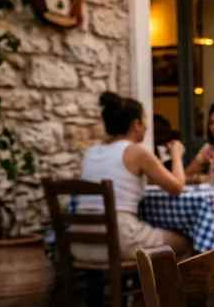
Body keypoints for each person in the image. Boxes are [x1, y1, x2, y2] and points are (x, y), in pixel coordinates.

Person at [76, 92, 191, 263]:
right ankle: (163, 290)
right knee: (186, 243)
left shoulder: (91, 152)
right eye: (145, 120)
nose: (147, 126)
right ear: (136, 124)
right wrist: (176, 155)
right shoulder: (136, 151)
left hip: (79, 242)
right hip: (119, 240)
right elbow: (177, 187)